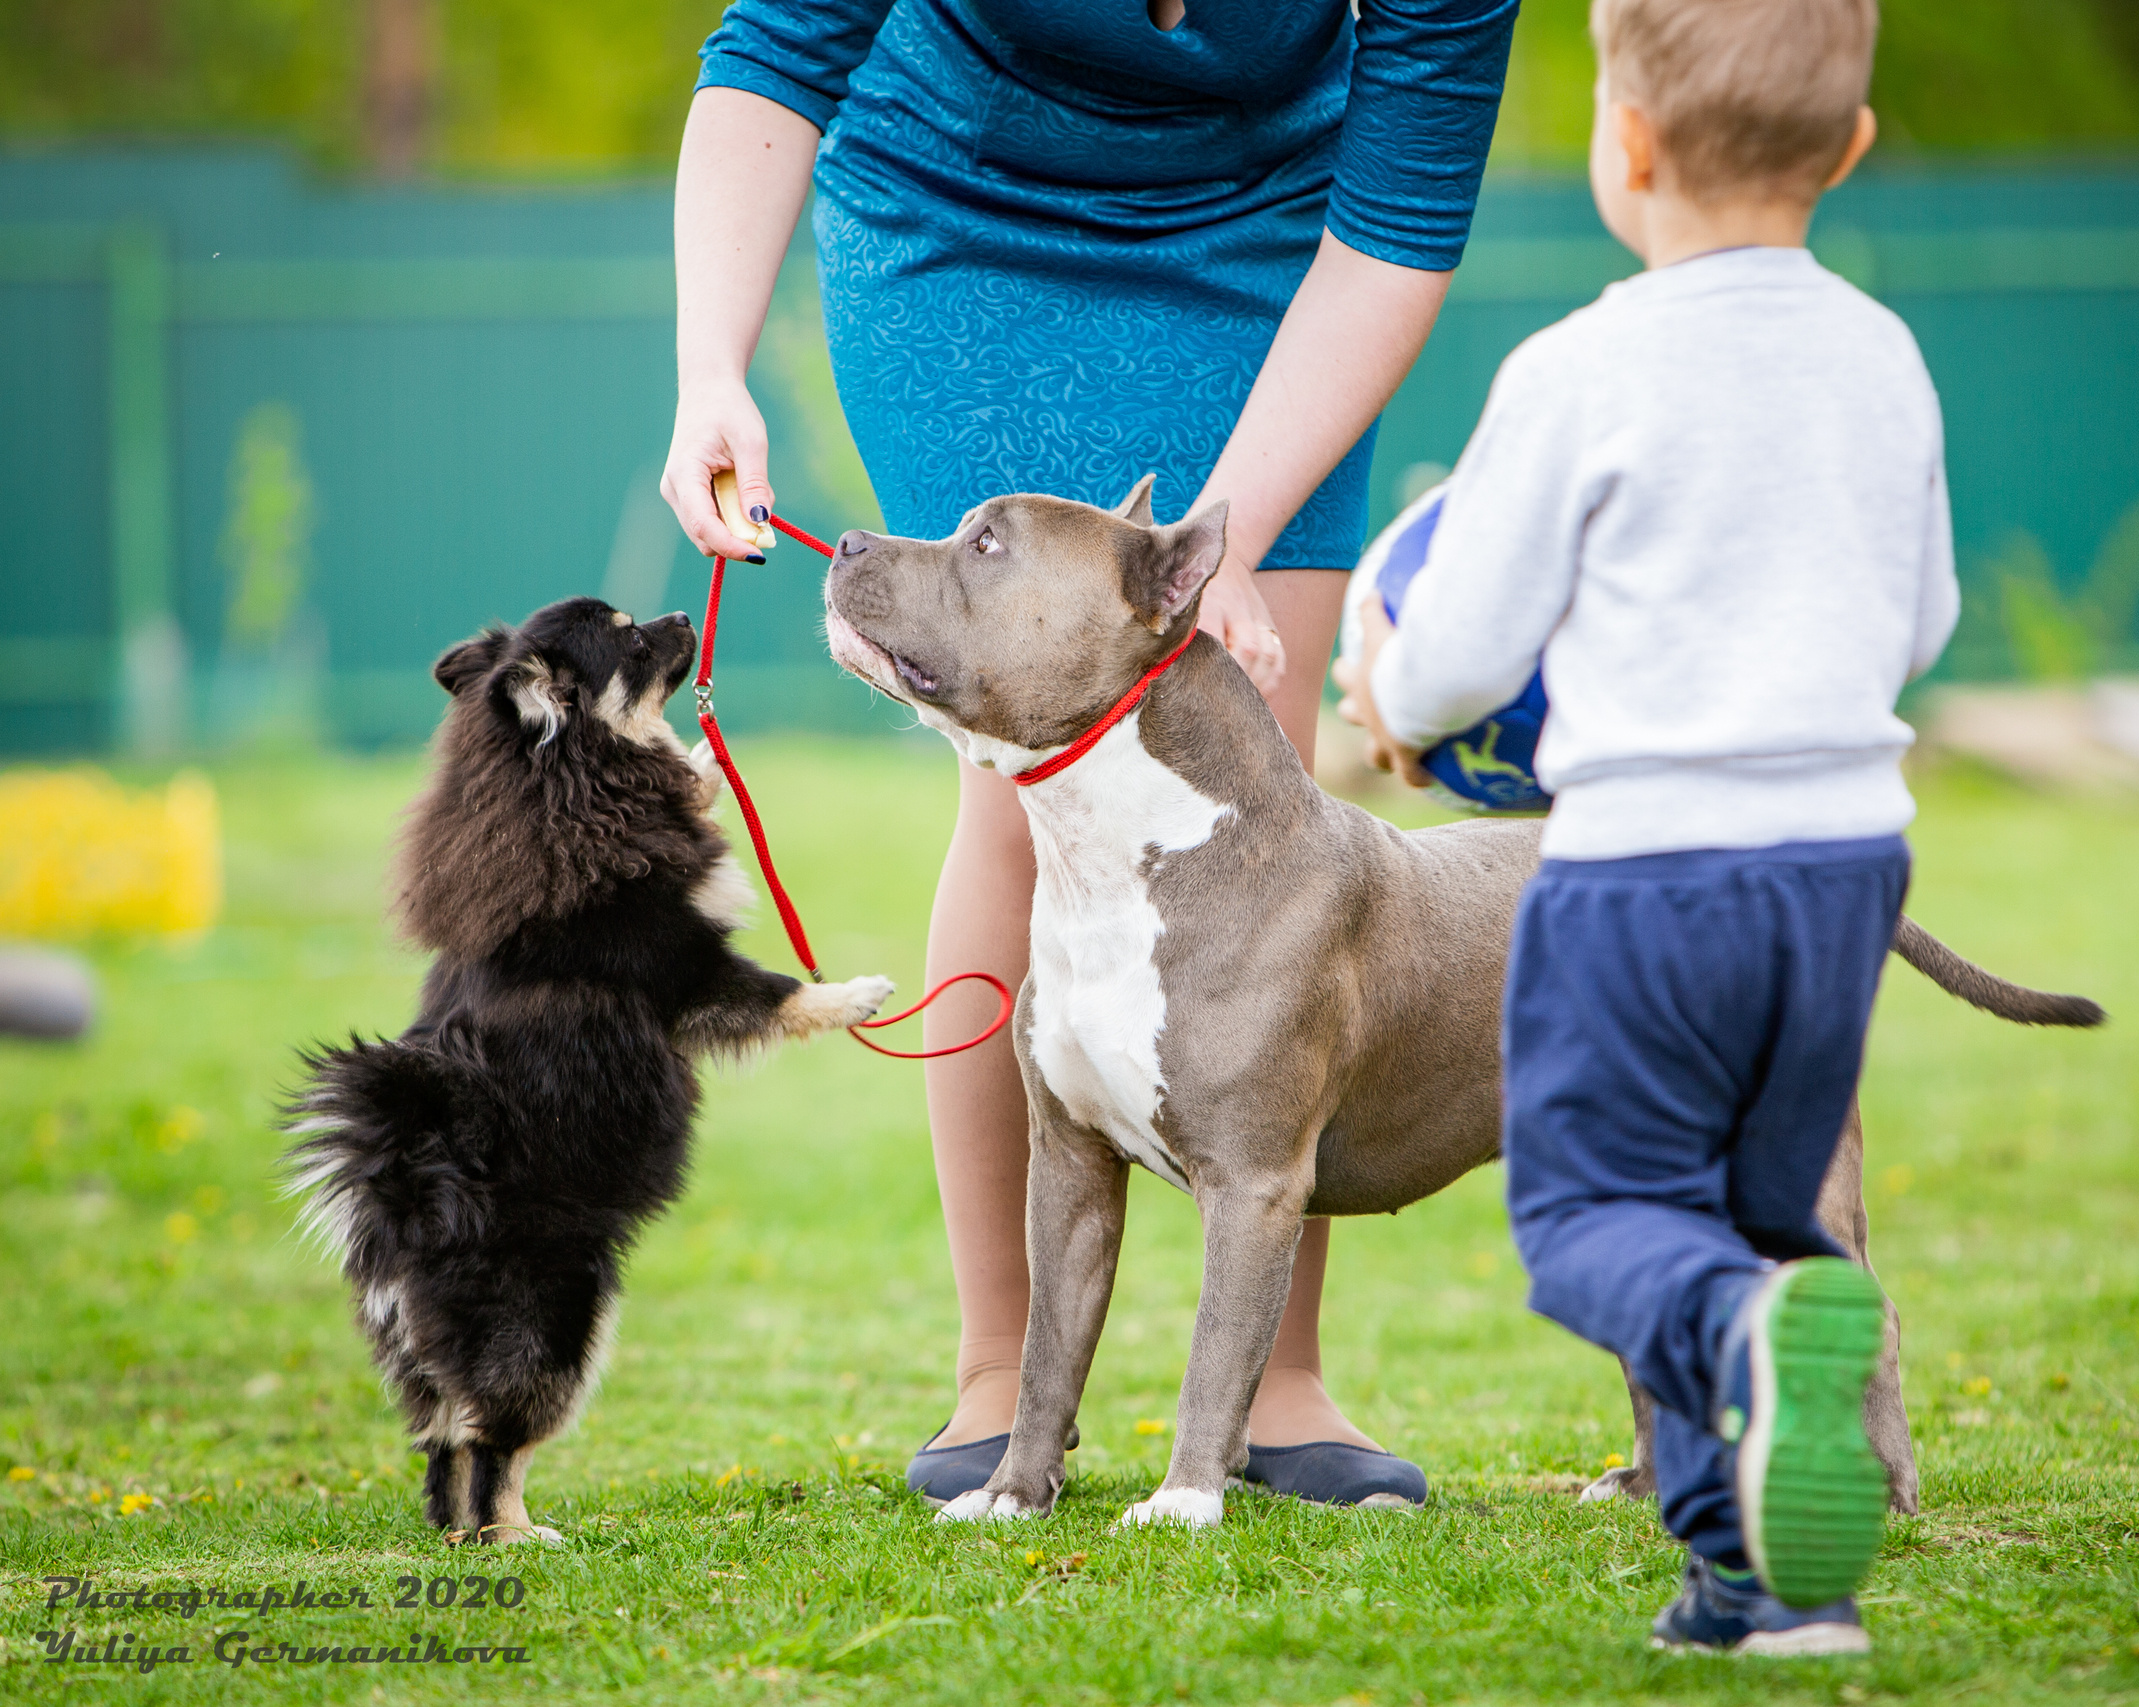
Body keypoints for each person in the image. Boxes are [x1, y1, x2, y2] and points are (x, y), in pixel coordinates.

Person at [661, 0, 1519, 1507]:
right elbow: (779, 49)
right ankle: (1005, 1373)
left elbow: (1405, 199)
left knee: (1263, 778)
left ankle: (1277, 1382)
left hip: (1268, 228)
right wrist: (710, 364)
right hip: (964, 207)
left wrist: (1214, 551)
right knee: (1026, 784)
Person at [1338, 0, 1952, 1655]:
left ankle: (1741, 1336)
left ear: (1629, 144)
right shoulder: (1883, 359)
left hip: (1642, 874)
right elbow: (1921, 621)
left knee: (1597, 1224)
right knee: (1765, 1207)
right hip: (1844, 872)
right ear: (1850, 147)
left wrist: (1392, 685)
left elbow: (1461, 651)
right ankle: (1763, 1587)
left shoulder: (1578, 370)